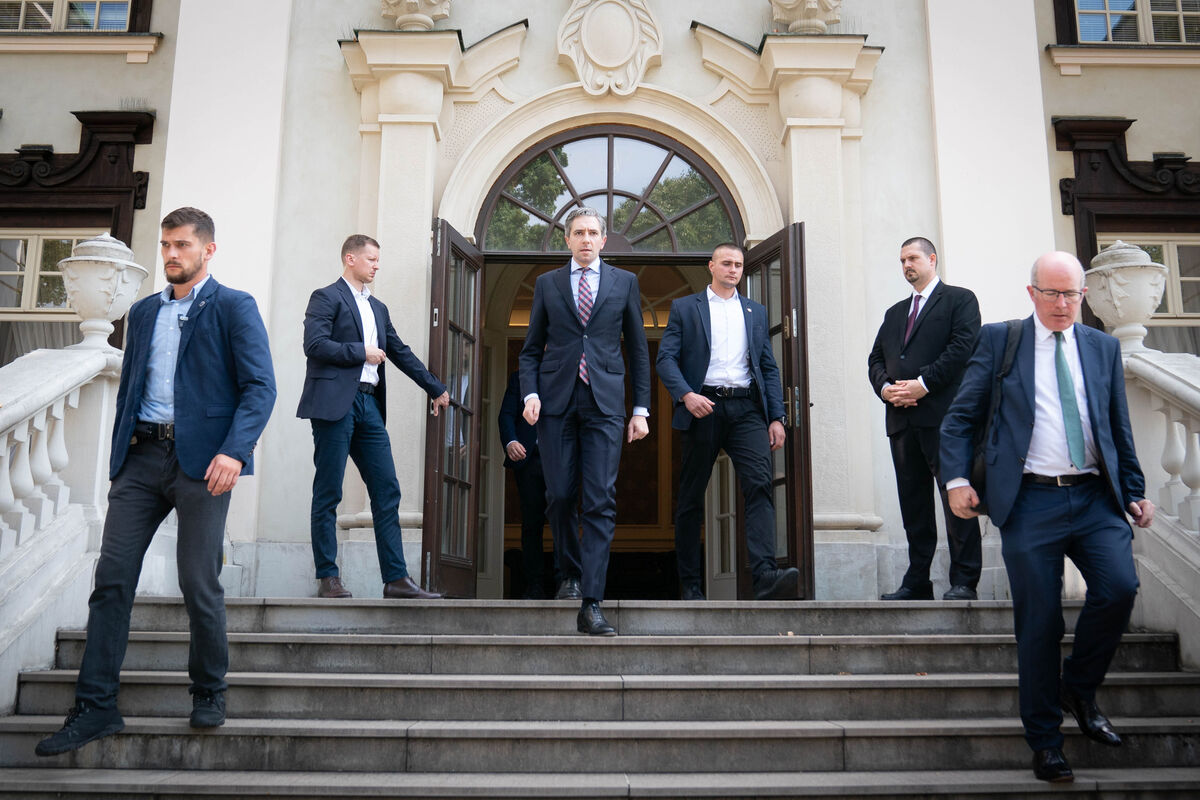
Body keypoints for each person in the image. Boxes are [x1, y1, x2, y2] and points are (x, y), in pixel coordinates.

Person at [35, 207, 277, 756]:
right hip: (142, 460)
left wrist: (234, 452)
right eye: (166, 245)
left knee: (199, 582)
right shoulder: (144, 313)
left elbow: (260, 387)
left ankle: (209, 690)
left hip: (204, 464)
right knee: (112, 579)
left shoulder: (234, 307)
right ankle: (96, 707)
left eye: (183, 246)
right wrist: (120, 457)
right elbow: (130, 386)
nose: (171, 254)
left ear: (208, 250)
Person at [940, 251, 1155, 783]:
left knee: (1120, 588)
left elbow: (1116, 426)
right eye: (1053, 294)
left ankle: (1076, 688)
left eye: (1072, 295)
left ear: (1084, 295)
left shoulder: (1101, 347)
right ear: (1032, 292)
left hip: (1093, 498)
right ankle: (1045, 741)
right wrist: (957, 480)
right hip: (1029, 500)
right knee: (1039, 622)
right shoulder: (1002, 340)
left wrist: (1134, 490)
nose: (1063, 305)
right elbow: (961, 416)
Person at [518, 207, 651, 635]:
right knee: (558, 495)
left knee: (599, 500)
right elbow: (530, 348)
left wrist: (641, 409)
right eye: (579, 232)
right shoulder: (547, 284)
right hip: (556, 402)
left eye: (594, 232)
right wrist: (531, 392)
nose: (587, 239)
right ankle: (570, 573)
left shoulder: (624, 283)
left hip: (605, 403)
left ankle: (591, 600)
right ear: (567, 239)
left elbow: (638, 349)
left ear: (604, 238)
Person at [297, 234, 450, 600]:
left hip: (368, 406)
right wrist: (360, 352)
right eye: (371, 259)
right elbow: (314, 345)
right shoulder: (326, 297)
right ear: (350, 258)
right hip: (335, 405)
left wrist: (435, 387)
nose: (377, 265)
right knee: (329, 491)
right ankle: (327, 577)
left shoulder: (378, 308)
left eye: (378, 260)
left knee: (387, 489)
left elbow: (399, 351)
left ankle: (396, 579)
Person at [656, 243, 799, 601]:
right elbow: (666, 360)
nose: (733, 269)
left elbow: (767, 366)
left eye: (738, 264)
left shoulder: (755, 311)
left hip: (747, 409)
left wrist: (776, 417)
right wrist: (687, 395)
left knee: (759, 485)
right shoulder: (685, 308)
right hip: (702, 407)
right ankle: (690, 584)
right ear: (711, 266)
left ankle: (764, 575)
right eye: (726, 263)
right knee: (690, 497)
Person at [868, 237, 982, 600]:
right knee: (914, 507)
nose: (906, 265)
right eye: (902, 260)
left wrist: (922, 384)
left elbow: (962, 350)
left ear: (932, 259)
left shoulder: (960, 300)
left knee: (957, 498)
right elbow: (875, 359)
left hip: (945, 420)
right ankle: (917, 582)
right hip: (901, 422)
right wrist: (886, 389)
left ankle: (964, 580)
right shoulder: (894, 313)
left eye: (913, 258)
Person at [498, 370, 554, 598]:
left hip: (560, 460)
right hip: (528, 459)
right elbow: (506, 415)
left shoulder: (571, 372)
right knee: (531, 524)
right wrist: (511, 441)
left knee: (565, 521)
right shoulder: (520, 377)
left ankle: (567, 582)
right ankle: (534, 585)